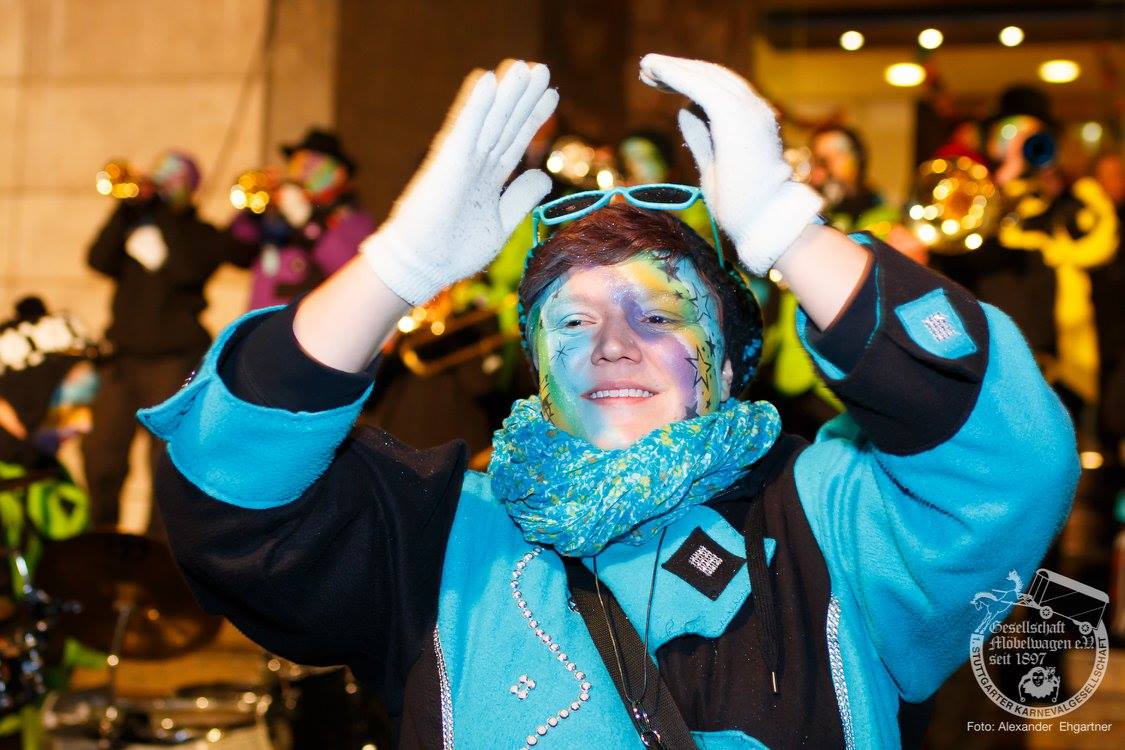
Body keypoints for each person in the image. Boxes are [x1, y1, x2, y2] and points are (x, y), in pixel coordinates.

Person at [139, 57, 1078, 748]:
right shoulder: (441, 538)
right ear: (534, 366)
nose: (611, 344)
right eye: (572, 322)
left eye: (660, 316)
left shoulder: (832, 517)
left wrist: (788, 230)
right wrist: (394, 268)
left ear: (733, 361)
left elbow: (1010, 459)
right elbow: (229, 491)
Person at [84, 150, 250, 534]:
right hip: (122, 360)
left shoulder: (201, 234)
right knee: (100, 454)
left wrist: (161, 213)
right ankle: (100, 537)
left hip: (173, 362)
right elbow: (97, 260)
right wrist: (125, 210)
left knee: (163, 461)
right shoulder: (133, 224)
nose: (160, 183)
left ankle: (155, 547)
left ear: (190, 188)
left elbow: (187, 270)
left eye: (171, 179)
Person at [227, 129, 376, 310]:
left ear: (340, 174)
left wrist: (307, 223)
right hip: (262, 318)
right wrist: (255, 213)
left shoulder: (354, 219)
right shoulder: (277, 211)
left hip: (313, 318)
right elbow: (235, 250)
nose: (304, 170)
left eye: (313, 163)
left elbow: (348, 268)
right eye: (299, 161)